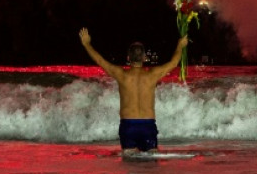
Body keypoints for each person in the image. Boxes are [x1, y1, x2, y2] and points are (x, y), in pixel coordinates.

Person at [78, 27, 188, 155]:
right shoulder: (152, 75)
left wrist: (86, 44)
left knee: (129, 166)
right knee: (150, 165)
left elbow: (100, 61)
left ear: (128, 57)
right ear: (144, 57)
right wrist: (180, 45)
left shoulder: (121, 75)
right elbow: (174, 62)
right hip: (148, 125)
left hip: (128, 125)